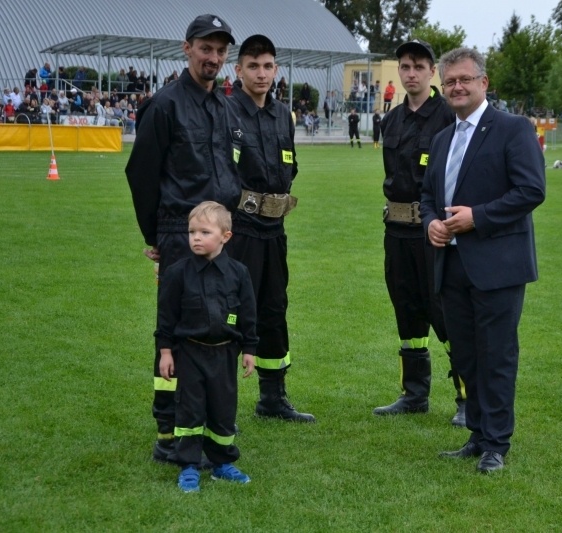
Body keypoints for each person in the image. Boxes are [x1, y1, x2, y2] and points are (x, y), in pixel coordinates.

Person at [420, 47, 546, 474]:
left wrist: (478, 218)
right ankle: (476, 433)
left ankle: (496, 443)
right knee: (467, 356)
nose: (457, 87)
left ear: (483, 83)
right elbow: (427, 197)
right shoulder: (442, 139)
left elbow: (531, 190)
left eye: (465, 80)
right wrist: (432, 223)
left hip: (498, 264)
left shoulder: (513, 129)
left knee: (496, 356)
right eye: (450, 81)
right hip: (451, 267)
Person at [125, 13, 241, 466]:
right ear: (186, 48)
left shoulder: (225, 107)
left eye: (219, 50)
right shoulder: (166, 104)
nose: (213, 57)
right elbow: (141, 175)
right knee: (175, 329)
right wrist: (157, 235)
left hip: (221, 236)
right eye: (205, 48)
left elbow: (231, 170)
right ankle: (168, 429)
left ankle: (209, 422)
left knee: (217, 324)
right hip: (181, 236)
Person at [374, 39, 467, 426]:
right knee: (407, 312)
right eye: (405, 66)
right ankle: (414, 394)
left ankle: (467, 398)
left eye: (419, 67)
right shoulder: (391, 120)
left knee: (445, 313)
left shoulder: (447, 116)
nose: (411, 74)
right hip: (396, 231)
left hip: (434, 232)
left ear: (433, 72)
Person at [227, 34, 315, 423]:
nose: (261, 74)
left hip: (275, 230)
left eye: (267, 66)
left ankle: (273, 397)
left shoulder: (283, 115)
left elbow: (289, 165)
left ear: (276, 70)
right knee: (230, 310)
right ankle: (219, 399)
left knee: (274, 308)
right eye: (253, 66)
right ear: (239, 70)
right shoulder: (225, 111)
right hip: (238, 230)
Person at [156, 201, 258, 492]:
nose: (196, 238)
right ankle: (188, 465)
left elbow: (249, 315)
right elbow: (166, 316)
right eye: (191, 232)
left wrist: (249, 349)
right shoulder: (178, 273)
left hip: (225, 353)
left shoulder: (238, 273)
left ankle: (222, 462)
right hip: (190, 353)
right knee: (190, 410)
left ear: (225, 236)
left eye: (204, 232)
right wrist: (165, 351)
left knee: (223, 409)